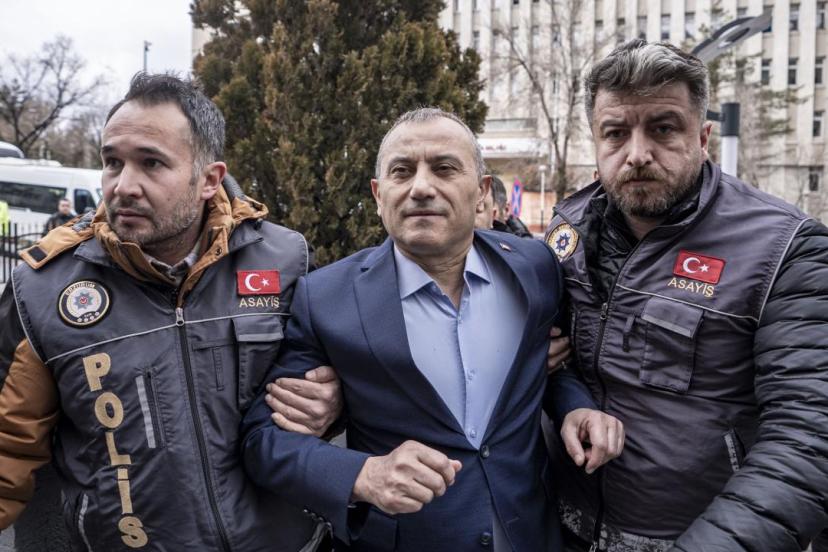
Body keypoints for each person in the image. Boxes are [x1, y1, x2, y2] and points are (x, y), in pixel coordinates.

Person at [242, 108, 625, 551]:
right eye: (402, 171)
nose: (421, 187)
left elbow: (551, 367)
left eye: (444, 168)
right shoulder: (326, 298)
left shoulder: (535, 268)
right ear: (378, 195)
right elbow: (263, 442)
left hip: (530, 534)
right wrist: (363, 475)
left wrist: (575, 407)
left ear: (482, 193)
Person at [0, 73, 341, 551]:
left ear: (209, 180)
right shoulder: (41, 288)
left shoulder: (286, 260)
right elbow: (8, 443)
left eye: (151, 163)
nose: (123, 186)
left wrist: (335, 403)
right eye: (112, 162)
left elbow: (350, 380)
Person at [543, 39, 828, 552]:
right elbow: (555, 362)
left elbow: (807, 439)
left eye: (663, 128)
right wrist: (564, 394)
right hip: (566, 528)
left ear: (703, 136)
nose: (637, 154)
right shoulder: (567, 233)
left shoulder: (786, 249)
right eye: (615, 133)